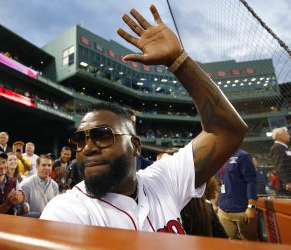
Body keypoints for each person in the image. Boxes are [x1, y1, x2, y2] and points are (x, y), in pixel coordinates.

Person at [40, 5, 247, 232]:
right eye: (80, 139)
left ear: (135, 145)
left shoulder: (163, 179)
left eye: (102, 135)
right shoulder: (65, 211)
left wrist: (179, 61)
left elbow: (227, 131)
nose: (87, 148)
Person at [216, 150, 258, 240]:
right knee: (226, 244)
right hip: (223, 211)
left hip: (243, 211)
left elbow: (251, 181)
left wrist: (251, 207)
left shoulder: (242, 156)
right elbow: (218, 183)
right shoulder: (218, 158)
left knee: (250, 245)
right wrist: (216, 204)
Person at [270, 127, 291, 196]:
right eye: (287, 134)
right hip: (285, 186)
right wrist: (287, 182)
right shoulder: (277, 148)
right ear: (280, 136)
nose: (289, 135)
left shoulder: (284, 147)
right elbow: (280, 166)